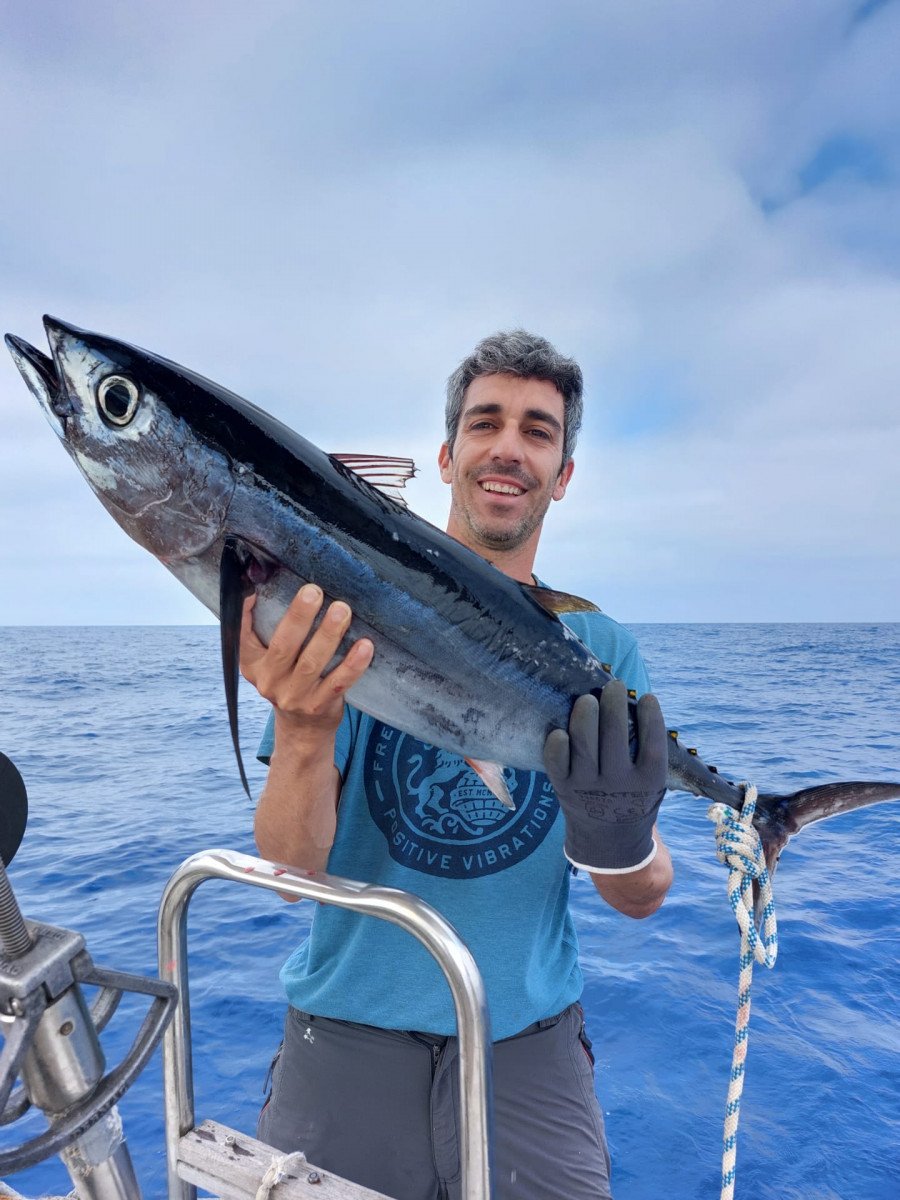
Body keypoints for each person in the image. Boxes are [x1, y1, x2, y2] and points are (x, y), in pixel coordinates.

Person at [240, 331, 673, 1200]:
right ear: (446, 456)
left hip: (529, 1045)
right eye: (486, 423)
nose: (509, 447)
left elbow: (641, 896)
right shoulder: (335, 604)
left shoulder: (599, 650)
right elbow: (290, 875)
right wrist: (300, 725)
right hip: (346, 1033)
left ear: (565, 472)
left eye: (539, 430)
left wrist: (617, 834)